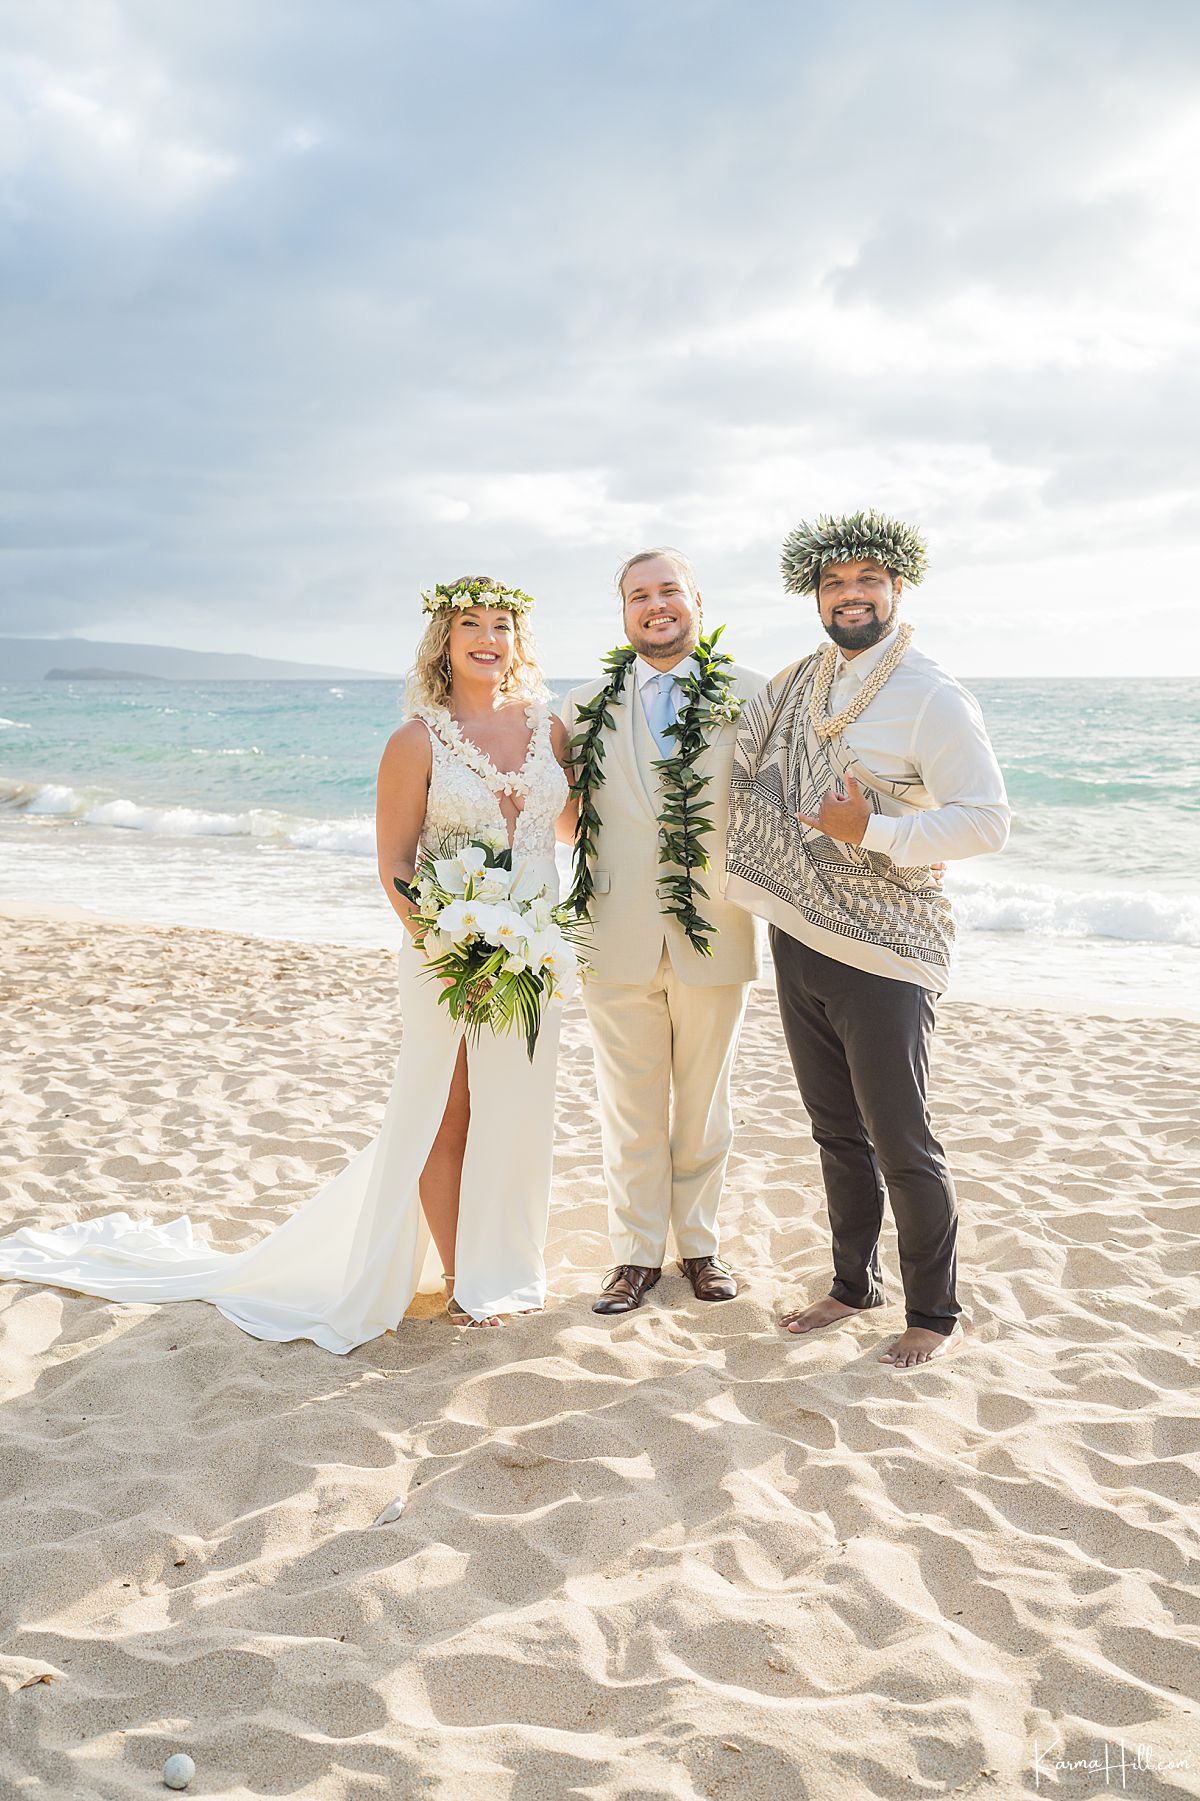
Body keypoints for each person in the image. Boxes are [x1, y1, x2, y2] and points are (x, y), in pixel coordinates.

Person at [0, 577, 573, 1346]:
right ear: (443, 638)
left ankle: (512, 1266)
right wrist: (452, 950)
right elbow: (396, 864)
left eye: (501, 624)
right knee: (444, 1107)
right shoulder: (415, 740)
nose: (487, 636)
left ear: (517, 640)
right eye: (469, 622)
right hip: (447, 950)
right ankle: (468, 1278)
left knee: (519, 1110)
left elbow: (568, 827)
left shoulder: (551, 729)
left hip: (533, 949)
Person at [726, 510, 1010, 1367]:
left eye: (868, 582)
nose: (851, 596)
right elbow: (736, 759)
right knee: (834, 1129)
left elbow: (987, 822)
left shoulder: (930, 693)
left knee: (901, 1136)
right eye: (835, 583)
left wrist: (872, 831)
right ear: (815, 594)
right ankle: (853, 1284)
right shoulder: (798, 683)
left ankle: (934, 1311)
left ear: (896, 588)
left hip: (888, 945)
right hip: (801, 932)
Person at [562, 549, 766, 1314]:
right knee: (631, 1105)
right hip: (611, 933)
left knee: (706, 1103)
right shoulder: (582, 706)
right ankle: (635, 1255)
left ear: (696, 601)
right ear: (623, 613)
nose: (656, 605)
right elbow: (552, 812)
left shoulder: (752, 695)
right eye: (638, 595)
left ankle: (701, 1247)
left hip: (715, 926)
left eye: (668, 590)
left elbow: (795, 800)